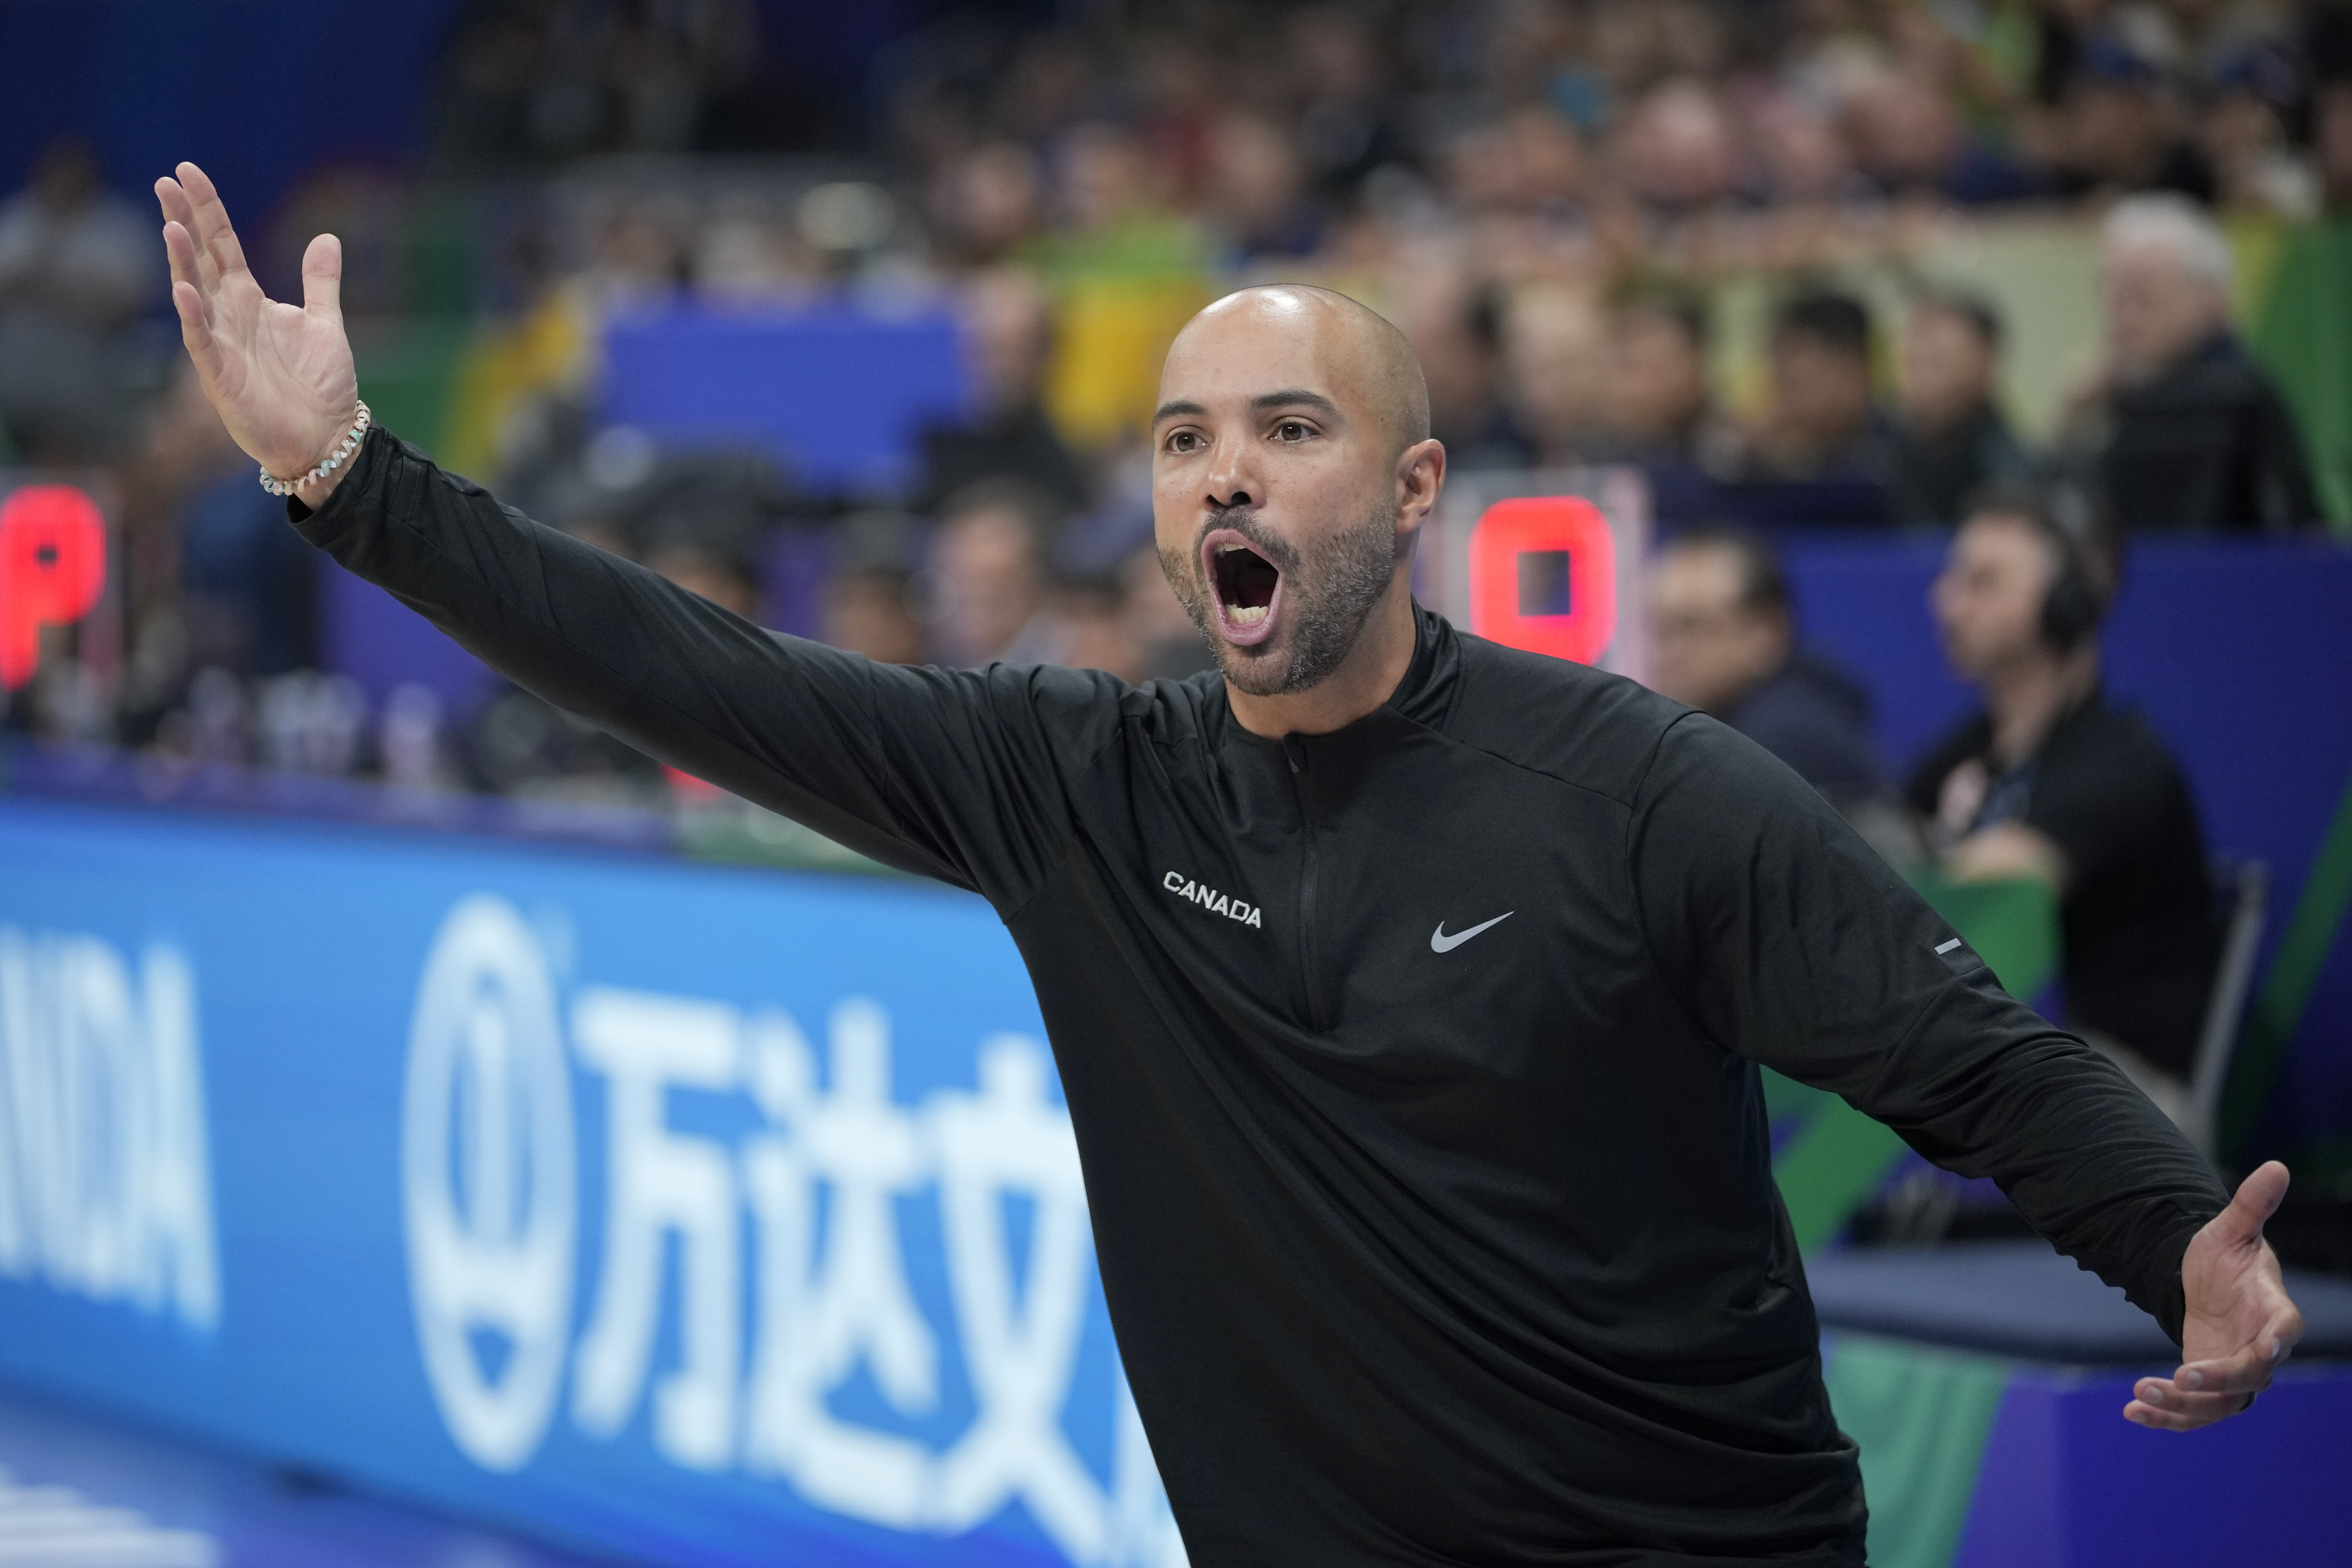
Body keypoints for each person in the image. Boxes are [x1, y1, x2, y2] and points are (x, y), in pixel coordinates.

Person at [159, 161, 2302, 1566]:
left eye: (1285, 425)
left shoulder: (1640, 786)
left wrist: (2172, 1237)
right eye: (1184, 438)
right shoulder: (1078, 782)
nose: (1221, 473)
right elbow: (698, 675)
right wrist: (353, 481)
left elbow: (1967, 1056)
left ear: (1417, 483)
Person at [1905, 491, 2223, 1125]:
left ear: (2068, 603)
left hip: (2119, 1086)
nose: (1947, 601)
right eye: (1953, 577)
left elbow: (2007, 886)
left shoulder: (2121, 761)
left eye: (1983, 580)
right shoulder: (1968, 750)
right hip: (2014, 1053)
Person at [2065, 193, 2320, 532]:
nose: (2121, 320)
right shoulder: (2111, 397)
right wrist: (2070, 421)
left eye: (2143, 297)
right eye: (2112, 296)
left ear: (2210, 300)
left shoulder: (2231, 398)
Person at [1646, 528, 1882, 806]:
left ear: (1765, 630)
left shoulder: (1780, 742)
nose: (1669, 652)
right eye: (1662, 629)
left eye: (1692, 625)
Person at [1888, 291, 2033, 528]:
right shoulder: (1883, 459)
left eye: (1936, 362)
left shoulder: (2012, 478)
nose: (1918, 381)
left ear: (1985, 363)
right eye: (1911, 362)